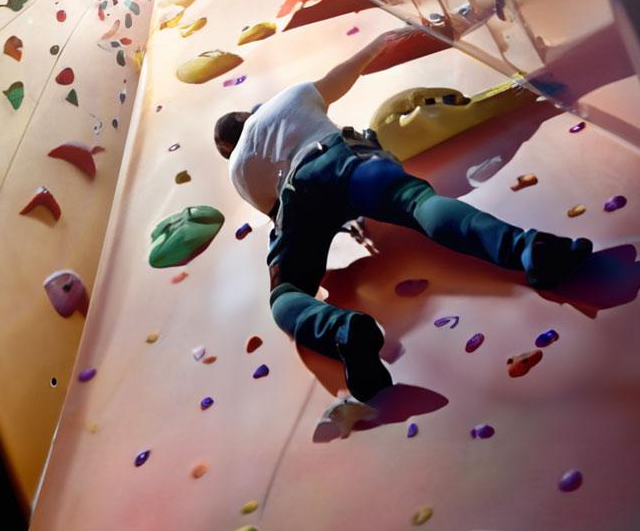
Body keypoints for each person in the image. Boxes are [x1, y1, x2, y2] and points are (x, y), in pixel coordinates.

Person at [214, 24, 592, 402]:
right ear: (249, 113)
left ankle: (342, 330)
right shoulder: (287, 100)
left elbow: (278, 215)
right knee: (418, 204)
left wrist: (316, 257)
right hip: (344, 160)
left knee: (285, 294)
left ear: (230, 148)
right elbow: (341, 77)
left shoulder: (237, 170)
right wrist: (376, 46)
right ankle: (526, 249)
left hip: (296, 195)